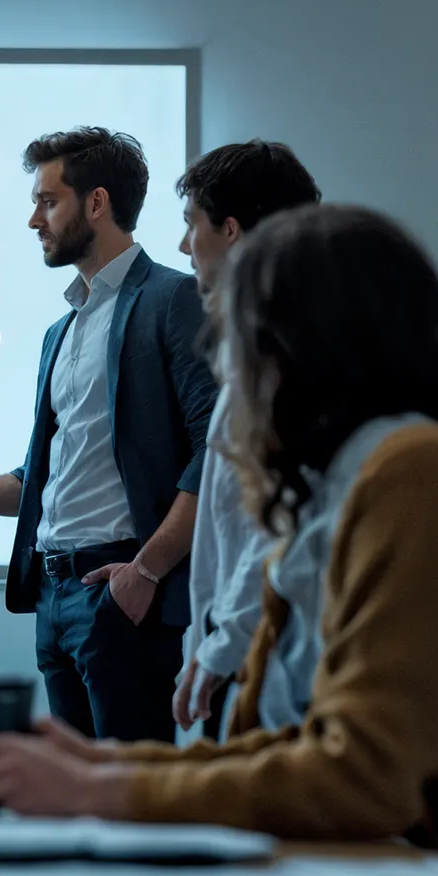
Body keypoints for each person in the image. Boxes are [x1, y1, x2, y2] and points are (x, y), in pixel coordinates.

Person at [0, 205, 438, 852]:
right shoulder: (347, 483)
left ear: (305, 346)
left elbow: (362, 777)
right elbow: (298, 749)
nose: (229, 368)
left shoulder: (419, 474)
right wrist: (99, 767)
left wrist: (100, 791)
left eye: (238, 339)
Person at [0, 126, 216, 742]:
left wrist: (147, 571)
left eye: (47, 201)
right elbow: (37, 483)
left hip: (120, 590)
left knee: (126, 807)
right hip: (54, 599)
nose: (35, 219)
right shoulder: (62, 331)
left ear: (97, 204)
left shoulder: (172, 298)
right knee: (67, 806)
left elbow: (214, 451)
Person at [170, 142, 321, 737]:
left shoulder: (290, 364)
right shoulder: (256, 356)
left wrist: (219, 648)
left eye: (191, 226)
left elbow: (276, 530)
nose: (185, 248)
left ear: (230, 231)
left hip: (266, 659)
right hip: (242, 649)